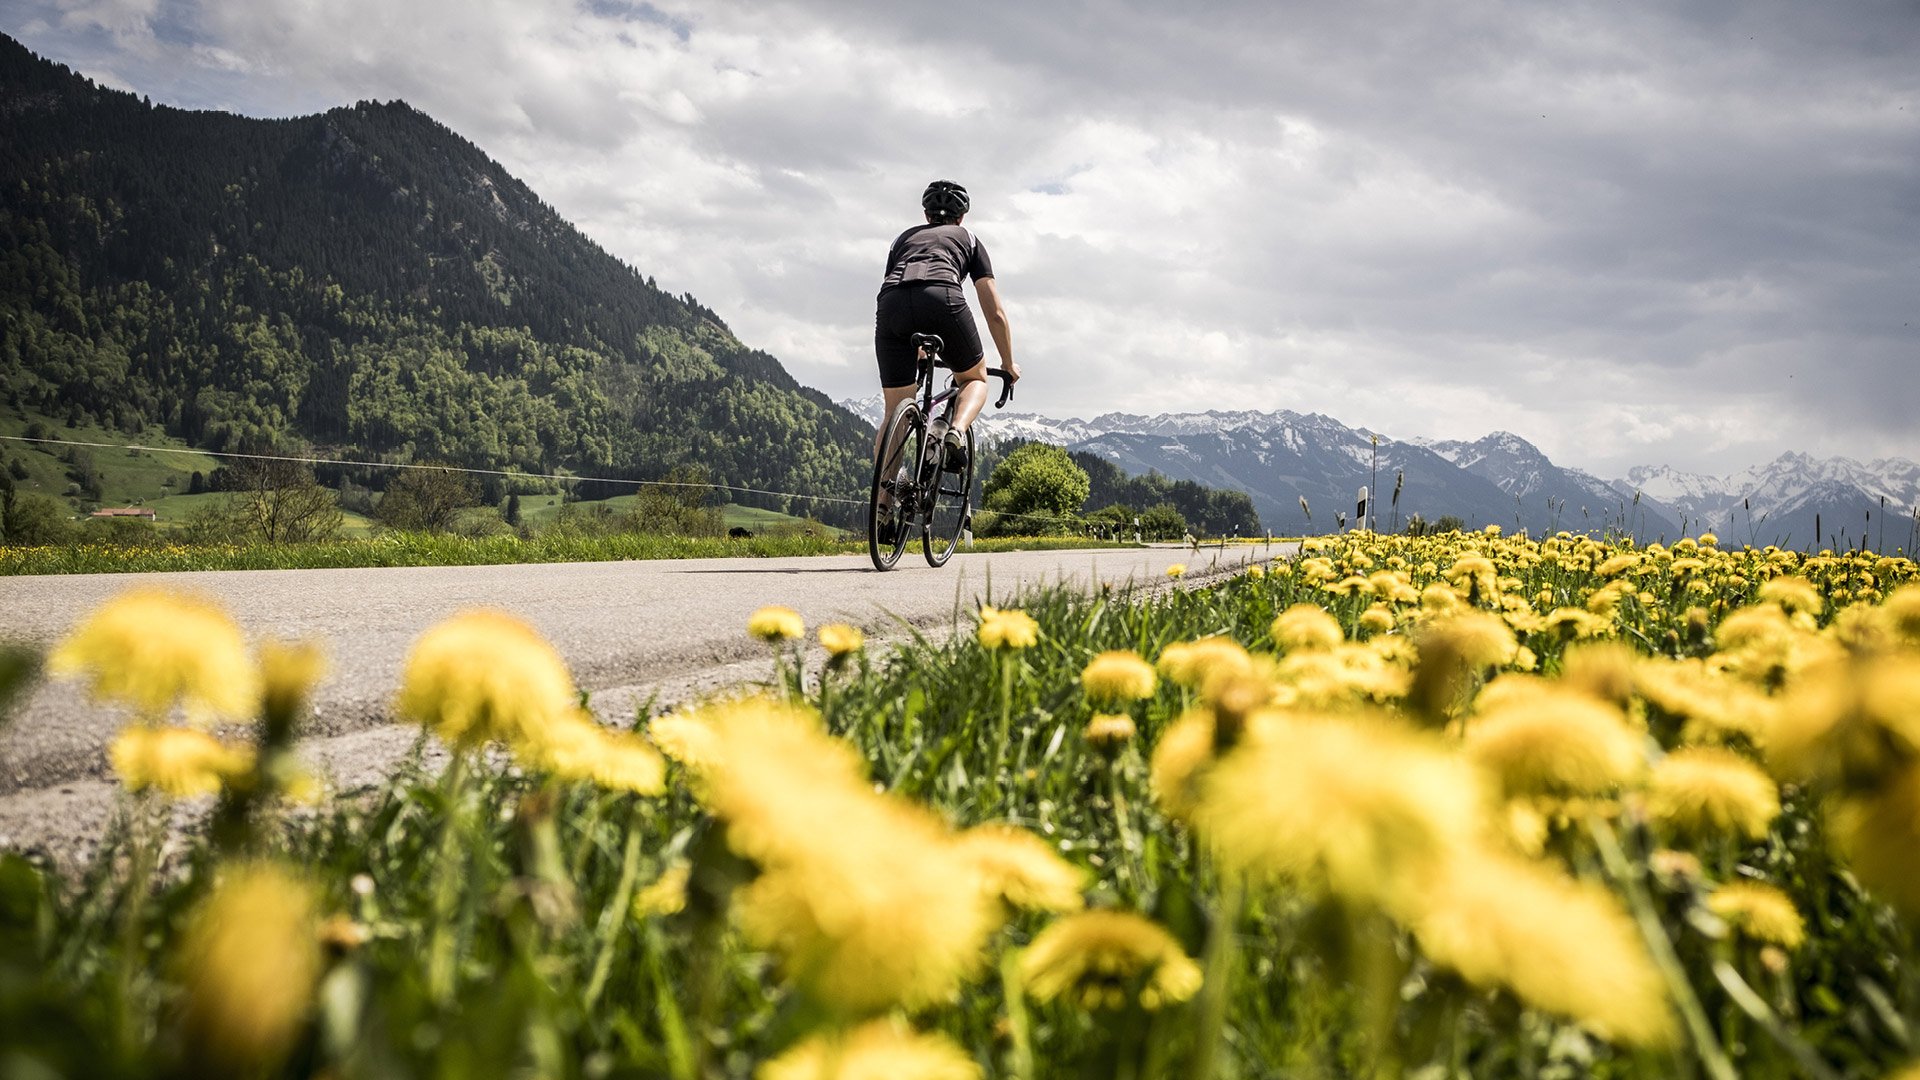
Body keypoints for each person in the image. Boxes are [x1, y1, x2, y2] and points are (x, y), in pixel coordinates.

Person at [871, 180, 1018, 536]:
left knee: (896, 411)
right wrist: (1008, 363)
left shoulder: (904, 238)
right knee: (974, 378)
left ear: (925, 215)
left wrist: (916, 346)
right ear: (962, 216)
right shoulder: (968, 240)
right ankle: (954, 432)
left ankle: (881, 509)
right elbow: (993, 308)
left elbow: (905, 292)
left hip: (891, 305)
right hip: (944, 298)